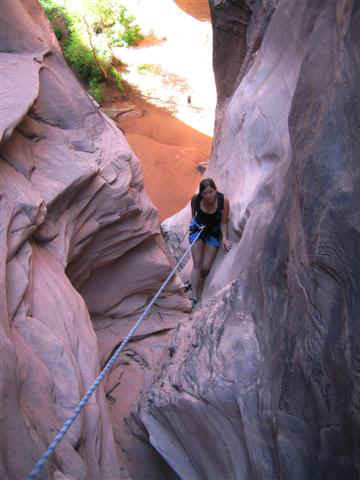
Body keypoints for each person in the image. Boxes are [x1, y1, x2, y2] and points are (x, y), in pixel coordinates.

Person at [188, 178, 232, 308]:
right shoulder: (196, 199)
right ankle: (194, 297)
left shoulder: (223, 201)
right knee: (197, 263)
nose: (209, 195)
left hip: (213, 233)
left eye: (211, 192)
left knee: (206, 267)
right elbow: (193, 214)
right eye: (205, 193)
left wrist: (224, 238)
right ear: (202, 194)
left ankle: (198, 282)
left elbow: (224, 222)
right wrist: (192, 223)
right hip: (198, 230)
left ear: (215, 190)